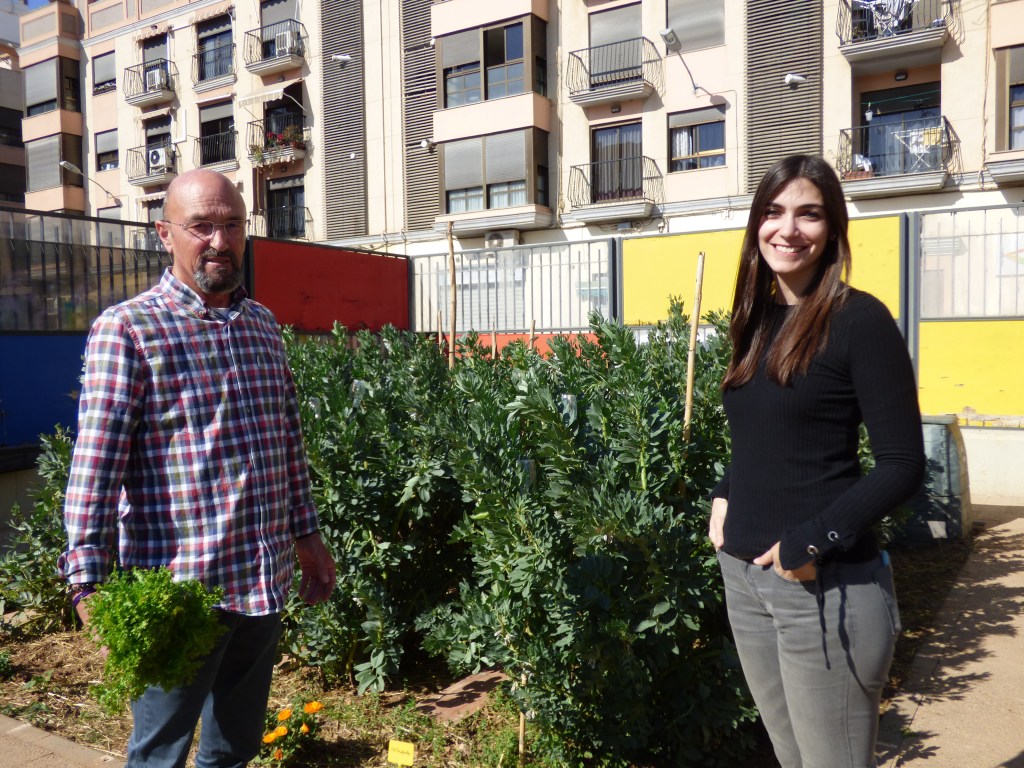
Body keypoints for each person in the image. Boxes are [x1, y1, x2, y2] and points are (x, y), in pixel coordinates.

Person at [58, 168, 336, 768]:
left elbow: (287, 443)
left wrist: (307, 536)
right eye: (201, 226)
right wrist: (89, 585)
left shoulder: (261, 326)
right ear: (165, 234)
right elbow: (95, 467)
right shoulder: (129, 329)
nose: (219, 241)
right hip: (180, 593)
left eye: (231, 225)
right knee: (160, 754)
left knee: (233, 750)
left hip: (261, 579)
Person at [709, 154, 925, 768]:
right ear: (757, 224)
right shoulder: (755, 319)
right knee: (792, 759)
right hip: (745, 583)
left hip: (823, 584)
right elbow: (761, 433)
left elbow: (903, 464)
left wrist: (810, 542)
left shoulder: (860, 321)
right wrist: (724, 491)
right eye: (774, 212)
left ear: (832, 229)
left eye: (810, 214)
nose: (788, 229)